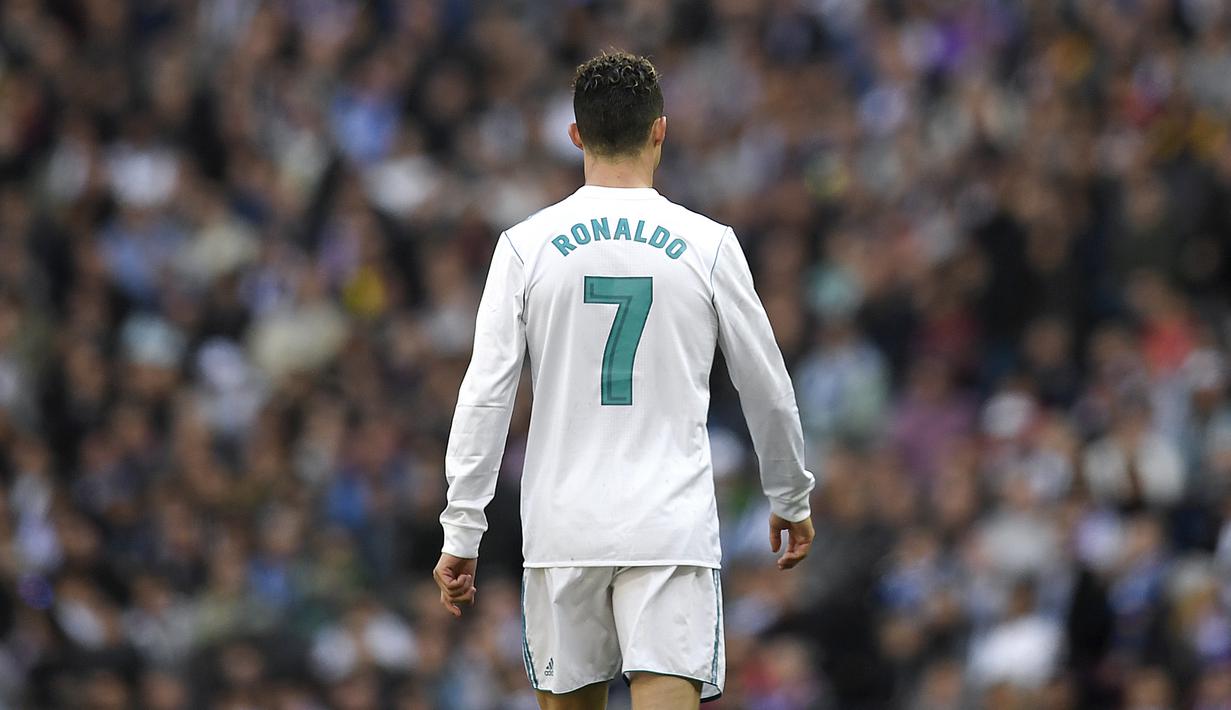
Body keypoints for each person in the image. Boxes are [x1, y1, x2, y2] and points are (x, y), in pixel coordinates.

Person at [433, 51, 816, 710]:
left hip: (562, 526)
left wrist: (462, 528)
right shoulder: (707, 244)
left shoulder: (525, 245)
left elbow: (486, 394)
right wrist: (789, 493)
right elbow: (767, 385)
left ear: (575, 134)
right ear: (660, 130)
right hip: (667, 523)